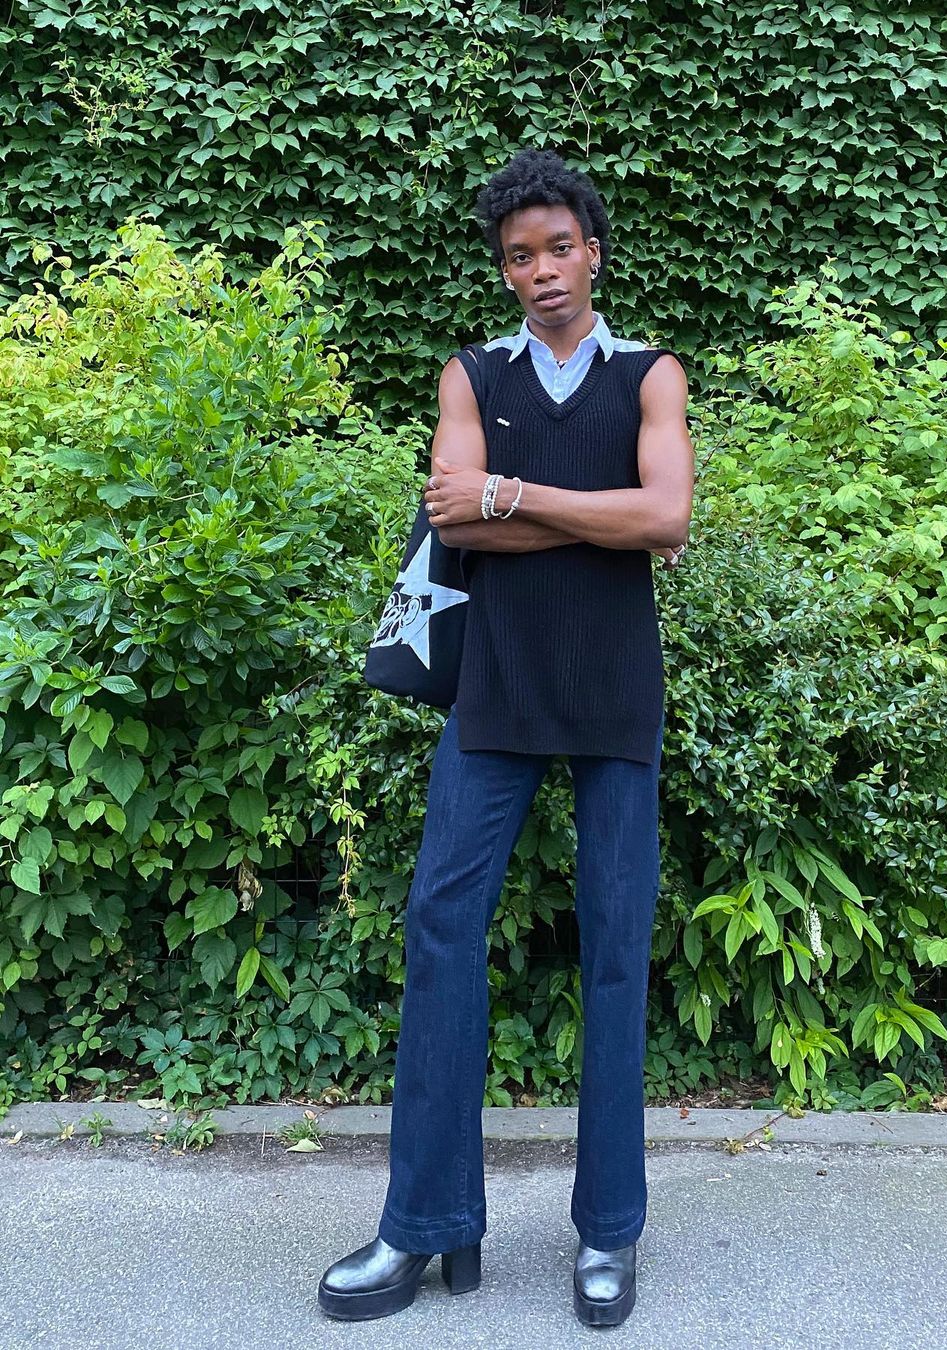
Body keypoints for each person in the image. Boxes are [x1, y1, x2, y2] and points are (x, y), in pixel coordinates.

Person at [318, 146, 694, 1329]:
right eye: (520, 256)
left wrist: (515, 497)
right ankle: (425, 1225)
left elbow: (667, 515)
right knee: (441, 928)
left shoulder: (650, 375)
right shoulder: (471, 376)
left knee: (616, 949)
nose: (543, 270)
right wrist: (593, 519)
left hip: (615, 697)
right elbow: (455, 518)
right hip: (496, 692)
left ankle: (609, 1230)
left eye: (559, 247)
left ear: (595, 252)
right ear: (506, 272)